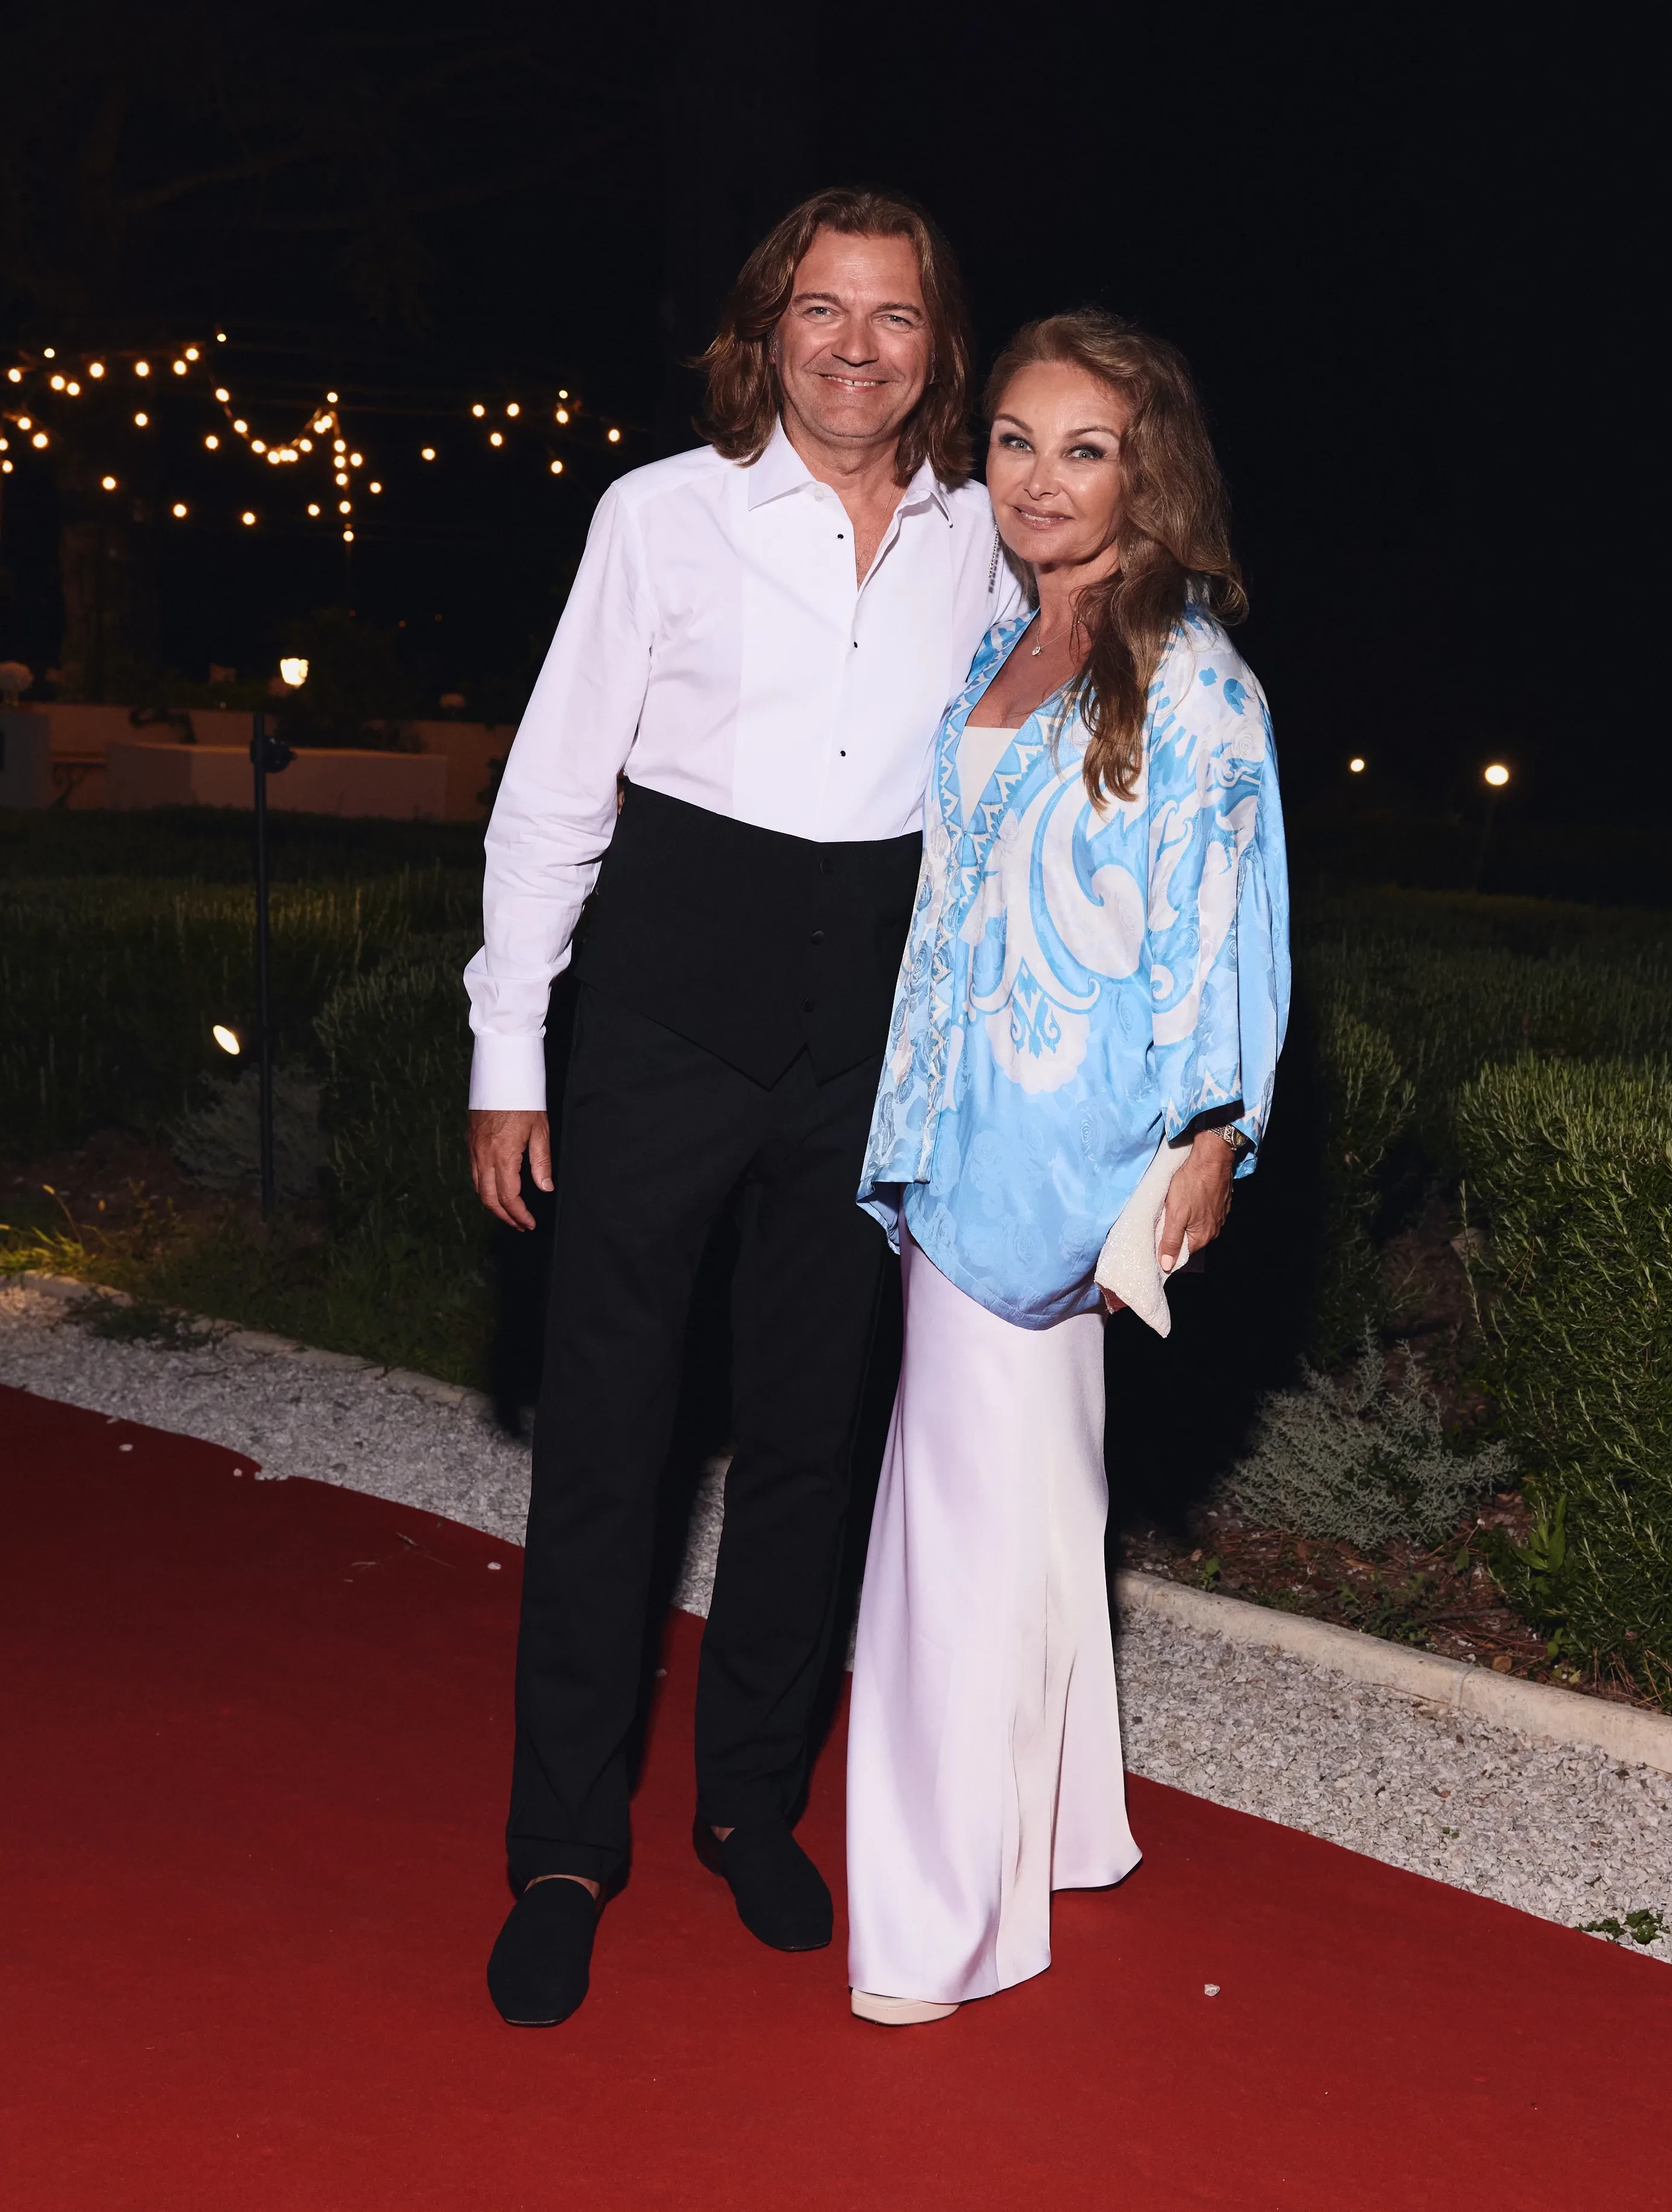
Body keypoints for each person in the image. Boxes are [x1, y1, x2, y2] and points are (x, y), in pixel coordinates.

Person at [466, 188, 1021, 2027]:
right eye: (822, 311)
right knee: (605, 1444)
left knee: (810, 1438)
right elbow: (554, 792)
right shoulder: (662, 515)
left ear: (939, 347)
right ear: (767, 329)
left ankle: (749, 1804)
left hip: (864, 1042)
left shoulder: (981, 539)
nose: (856, 347)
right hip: (659, 1025)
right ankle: (564, 1850)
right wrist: (508, 1051)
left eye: (895, 316)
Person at [846, 310, 1291, 2024]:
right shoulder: (1004, 640)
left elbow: (1224, 923)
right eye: (1016, 442)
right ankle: (1066, 1830)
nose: (1039, 479)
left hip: (1071, 1145)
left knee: (953, 1526)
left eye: (1083, 449)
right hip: (956, 1123)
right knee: (1030, 1495)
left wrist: (1206, 1136)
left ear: (1144, 470)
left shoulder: (1193, 679)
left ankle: (935, 1923)